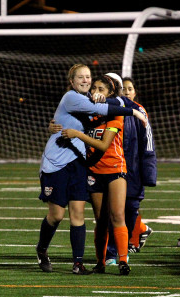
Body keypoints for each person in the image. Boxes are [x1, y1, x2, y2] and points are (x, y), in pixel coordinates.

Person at [36, 64, 147, 275]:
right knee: (57, 215)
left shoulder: (91, 100)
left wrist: (123, 106)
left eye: (88, 77)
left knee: (80, 214)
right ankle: (41, 249)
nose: (86, 81)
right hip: (57, 163)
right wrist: (133, 111)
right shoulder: (72, 97)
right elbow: (100, 109)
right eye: (81, 78)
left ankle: (80, 263)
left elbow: (110, 104)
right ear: (72, 81)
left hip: (81, 163)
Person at [105, 76, 157, 265]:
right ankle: (112, 253)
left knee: (129, 210)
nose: (126, 91)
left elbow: (148, 143)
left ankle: (123, 247)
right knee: (111, 212)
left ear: (134, 92)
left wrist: (149, 172)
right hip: (112, 168)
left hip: (133, 170)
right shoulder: (106, 109)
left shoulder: (139, 111)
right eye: (123, 88)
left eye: (129, 89)